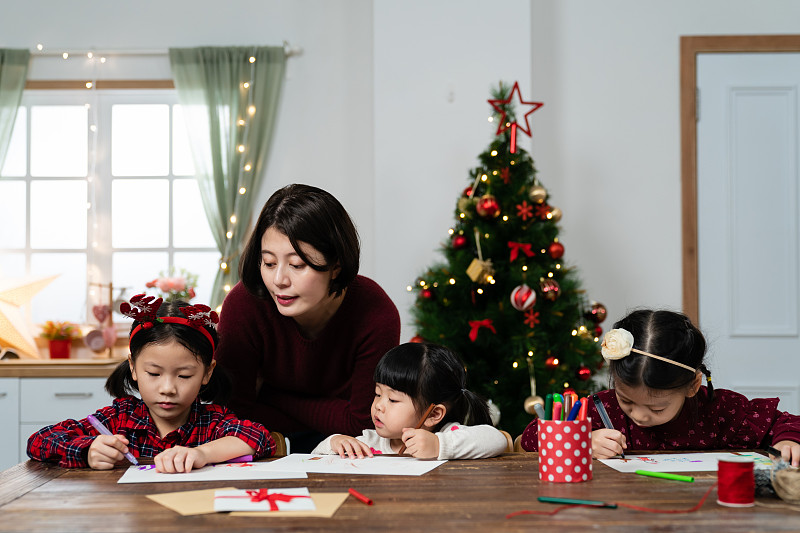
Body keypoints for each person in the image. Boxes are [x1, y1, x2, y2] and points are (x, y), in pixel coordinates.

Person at [213, 183, 401, 453]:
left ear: (336, 265)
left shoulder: (375, 312)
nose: (278, 280)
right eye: (268, 263)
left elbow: (364, 425)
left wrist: (269, 395)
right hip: (260, 453)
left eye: (297, 265)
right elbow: (233, 417)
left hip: (348, 457)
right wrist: (332, 414)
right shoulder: (245, 304)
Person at [519, 309, 800, 466]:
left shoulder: (720, 410)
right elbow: (529, 438)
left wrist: (787, 441)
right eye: (627, 401)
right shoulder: (600, 409)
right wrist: (580, 441)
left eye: (656, 407)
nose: (639, 415)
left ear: (692, 385)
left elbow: (784, 422)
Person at [27, 295, 275, 471]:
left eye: (184, 375)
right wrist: (88, 450)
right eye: (154, 374)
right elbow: (39, 440)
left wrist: (201, 453)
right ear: (133, 367)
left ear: (207, 373)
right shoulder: (119, 419)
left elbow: (261, 437)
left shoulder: (211, 422)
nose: (167, 388)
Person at [311, 342, 508, 459]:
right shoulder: (370, 444)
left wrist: (439, 446)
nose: (378, 405)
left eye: (393, 400)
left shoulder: (448, 435)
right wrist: (334, 442)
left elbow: (497, 440)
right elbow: (314, 458)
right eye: (378, 394)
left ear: (433, 414)